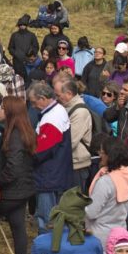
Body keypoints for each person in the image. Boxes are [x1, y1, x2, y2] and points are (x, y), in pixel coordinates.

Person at [0, 96, 36, 254]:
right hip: (22, 190)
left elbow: (13, 169)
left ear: (9, 112)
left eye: (2, 108)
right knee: (18, 227)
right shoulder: (23, 131)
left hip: (12, 191)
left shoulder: (15, 136)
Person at [28, 81, 74, 232]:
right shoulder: (57, 110)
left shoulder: (52, 119)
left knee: (47, 220)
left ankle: (49, 251)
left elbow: (40, 151)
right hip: (55, 173)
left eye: (34, 102)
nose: (33, 106)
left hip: (49, 177)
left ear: (42, 98)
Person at [85, 138, 128, 250]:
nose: (99, 155)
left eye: (102, 152)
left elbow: (91, 213)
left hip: (100, 239)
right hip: (120, 235)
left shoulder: (105, 182)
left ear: (110, 156)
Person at [54, 77, 93, 191]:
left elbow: (70, 141)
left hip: (78, 166)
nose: (56, 98)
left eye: (58, 95)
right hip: (68, 163)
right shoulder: (65, 107)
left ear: (69, 93)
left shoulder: (80, 112)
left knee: (74, 204)